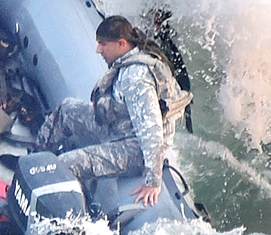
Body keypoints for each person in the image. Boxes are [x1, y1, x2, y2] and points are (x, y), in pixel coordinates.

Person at [35, 15, 193, 207]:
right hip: (120, 126)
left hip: (135, 149)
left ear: (121, 44)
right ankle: (35, 162)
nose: (98, 50)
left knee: (68, 162)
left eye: (103, 44)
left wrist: (153, 182)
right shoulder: (132, 57)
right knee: (67, 109)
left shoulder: (137, 80)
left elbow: (152, 133)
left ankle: (61, 211)